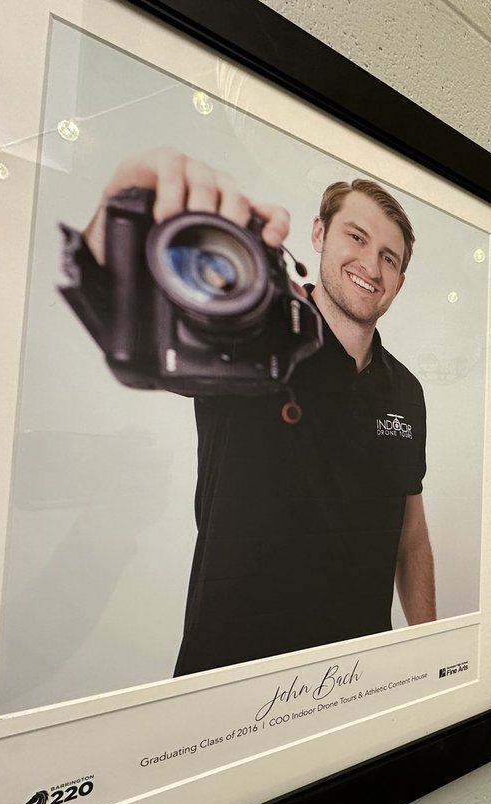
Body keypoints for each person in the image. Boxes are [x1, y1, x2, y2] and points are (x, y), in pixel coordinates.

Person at [79, 149, 437, 676]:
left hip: (358, 678)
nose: (371, 265)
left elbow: (412, 535)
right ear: (319, 234)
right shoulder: (247, 333)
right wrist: (118, 219)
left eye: (390, 257)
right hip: (231, 675)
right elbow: (122, 319)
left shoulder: (405, 390)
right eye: (356, 238)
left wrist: (429, 652)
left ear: (400, 281)